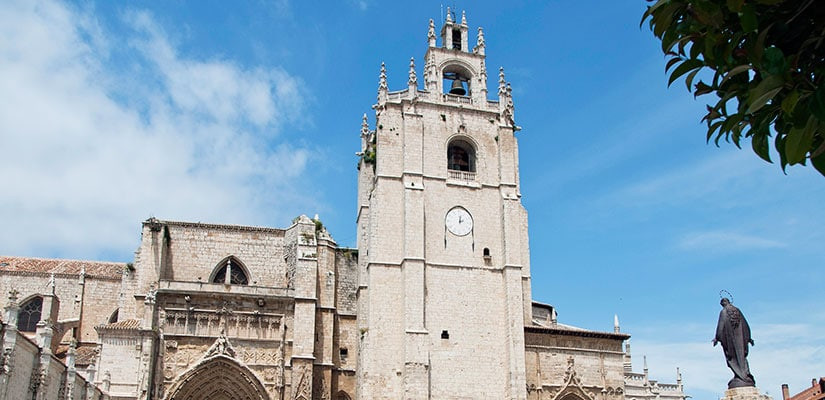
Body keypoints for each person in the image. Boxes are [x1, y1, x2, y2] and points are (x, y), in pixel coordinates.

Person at [713, 298, 755, 388]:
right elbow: (745, 325)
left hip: (730, 342)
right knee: (742, 358)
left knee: (732, 358)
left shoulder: (724, 312)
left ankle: (740, 376)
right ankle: (746, 375)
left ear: (723, 304)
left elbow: (720, 326)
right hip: (741, 341)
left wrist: (717, 338)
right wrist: (748, 337)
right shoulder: (737, 310)